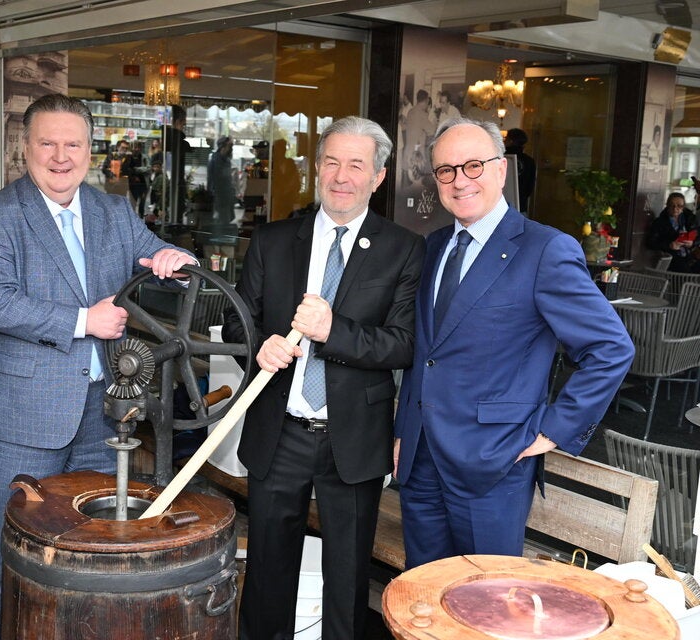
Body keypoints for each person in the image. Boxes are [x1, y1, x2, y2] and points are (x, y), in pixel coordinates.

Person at [0, 93, 196, 640]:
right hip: (22, 415)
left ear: (91, 150)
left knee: (90, 542)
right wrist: (82, 320)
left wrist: (175, 260)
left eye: (73, 144)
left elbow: (160, 255)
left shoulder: (112, 210)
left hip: (102, 412)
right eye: (47, 142)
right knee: (12, 546)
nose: (60, 155)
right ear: (25, 149)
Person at [393, 118, 635, 570]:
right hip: (419, 461)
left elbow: (610, 348)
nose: (459, 180)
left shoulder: (545, 250)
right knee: (421, 597)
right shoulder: (433, 246)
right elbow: (425, 354)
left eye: (472, 166)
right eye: (446, 170)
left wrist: (556, 429)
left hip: (494, 464)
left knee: (486, 603)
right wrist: (403, 430)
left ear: (501, 170)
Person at [222, 115, 425, 640]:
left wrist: (334, 330)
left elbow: (403, 345)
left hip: (351, 439)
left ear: (378, 177)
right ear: (316, 168)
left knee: (347, 579)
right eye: (331, 161)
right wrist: (256, 345)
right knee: (267, 574)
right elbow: (234, 323)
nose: (341, 175)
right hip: (279, 431)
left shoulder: (403, 248)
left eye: (356, 164)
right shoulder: (273, 239)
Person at [646, 191, 699, 272]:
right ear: (667, 206)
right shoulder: (660, 222)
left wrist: (692, 243)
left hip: (690, 255)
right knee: (684, 270)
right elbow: (650, 243)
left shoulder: (690, 219)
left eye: (679, 206)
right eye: (672, 205)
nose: (675, 208)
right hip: (671, 258)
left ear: (683, 207)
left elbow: (697, 236)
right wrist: (669, 245)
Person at [164, 103, 191, 218]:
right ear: (178, 121)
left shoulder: (168, 137)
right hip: (175, 182)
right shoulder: (177, 139)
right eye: (183, 123)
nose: (183, 125)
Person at [504, 127, 537, 212]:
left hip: (500, 204)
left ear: (510, 141)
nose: (504, 141)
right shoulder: (529, 161)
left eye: (506, 138)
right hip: (520, 205)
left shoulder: (501, 158)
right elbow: (530, 187)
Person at [207, 135, 236, 224]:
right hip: (219, 199)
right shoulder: (216, 161)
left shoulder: (227, 161)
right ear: (222, 147)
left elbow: (228, 179)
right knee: (221, 222)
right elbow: (214, 181)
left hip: (227, 198)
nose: (231, 149)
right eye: (229, 146)